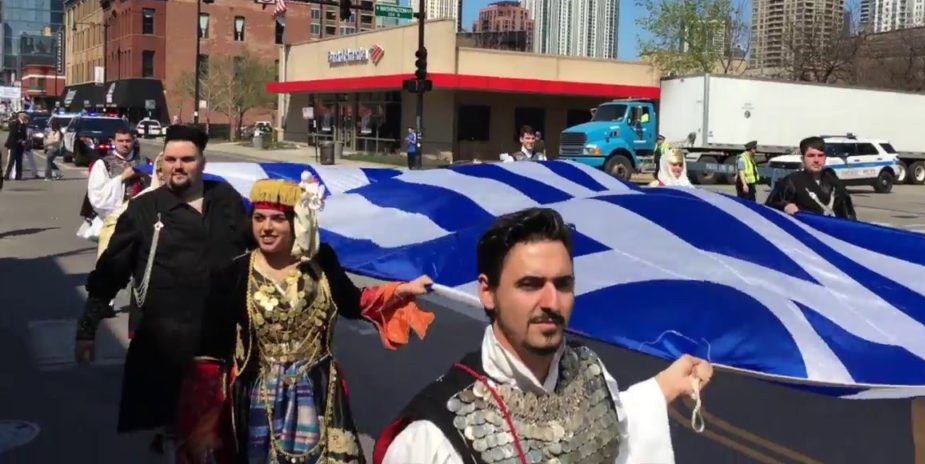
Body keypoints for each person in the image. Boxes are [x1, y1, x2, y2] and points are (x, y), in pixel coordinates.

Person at [374, 207, 714, 464]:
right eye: (530, 285)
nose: (551, 303)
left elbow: (614, 425)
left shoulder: (590, 374)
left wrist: (663, 387)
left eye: (563, 284)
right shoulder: (432, 438)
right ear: (487, 292)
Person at [176, 178, 435, 464]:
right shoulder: (234, 273)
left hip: (319, 392)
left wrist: (400, 290)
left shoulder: (320, 262)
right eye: (259, 218)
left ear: (297, 222)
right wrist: (208, 420)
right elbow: (210, 354)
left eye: (278, 219)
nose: (266, 228)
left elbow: (353, 303)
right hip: (258, 399)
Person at [74, 125, 251, 461]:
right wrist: (87, 329)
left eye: (187, 159)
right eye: (170, 159)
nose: (177, 166)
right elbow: (111, 272)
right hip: (167, 346)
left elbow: (257, 245)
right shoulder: (144, 210)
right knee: (180, 442)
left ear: (203, 162)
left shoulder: (225, 199)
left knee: (228, 439)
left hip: (225, 344)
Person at [77, 127, 150, 241]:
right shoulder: (103, 164)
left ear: (133, 142)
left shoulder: (145, 162)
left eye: (128, 141)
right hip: (113, 219)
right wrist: (122, 178)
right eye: (120, 141)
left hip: (140, 218)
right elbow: (97, 194)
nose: (124, 144)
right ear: (113, 142)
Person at [765, 136, 857, 220]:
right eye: (811, 156)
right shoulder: (793, 181)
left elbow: (847, 210)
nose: (816, 160)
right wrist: (785, 206)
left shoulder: (832, 179)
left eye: (820, 155)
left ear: (825, 158)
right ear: (803, 159)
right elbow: (769, 206)